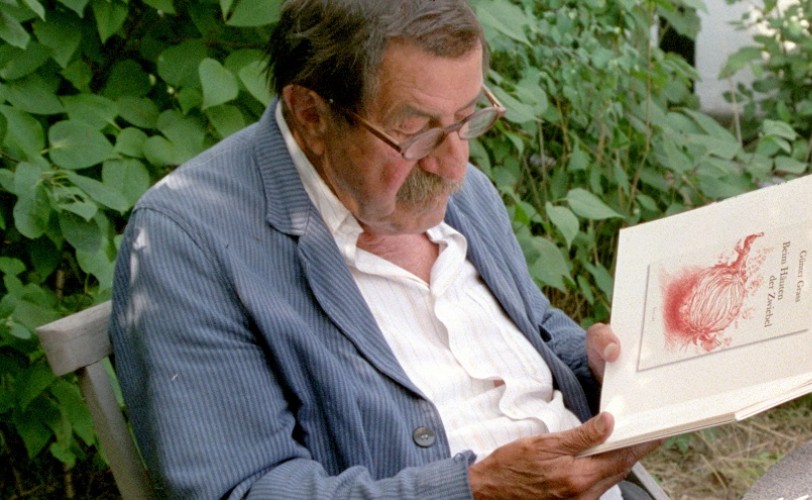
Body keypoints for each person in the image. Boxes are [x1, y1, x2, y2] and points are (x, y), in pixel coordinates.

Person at [107, 0, 660, 498]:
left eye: (467, 119)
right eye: (416, 132)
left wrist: (596, 364)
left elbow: (532, 327)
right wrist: (474, 491)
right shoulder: (193, 243)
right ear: (310, 115)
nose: (454, 166)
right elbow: (243, 489)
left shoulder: (450, 187)